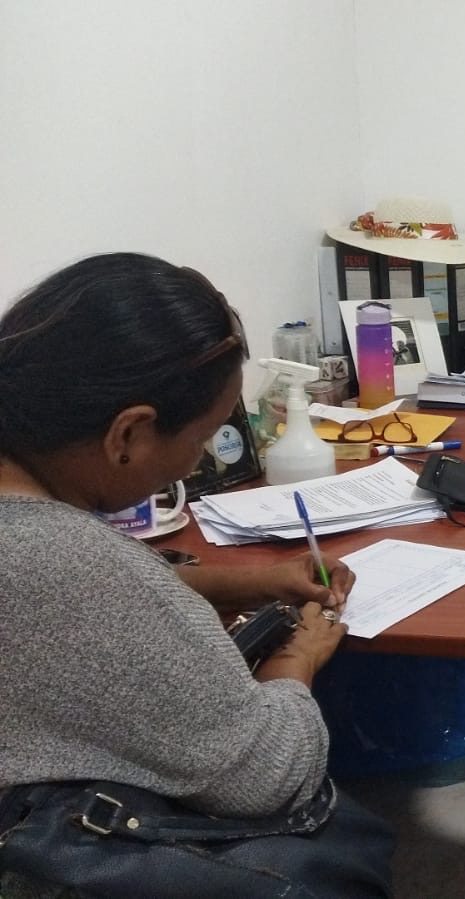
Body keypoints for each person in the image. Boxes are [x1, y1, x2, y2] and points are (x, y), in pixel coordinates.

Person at [0, 255, 368, 832]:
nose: (196, 460)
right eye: (202, 437)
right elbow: (270, 779)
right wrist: (296, 658)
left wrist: (253, 582)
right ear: (129, 433)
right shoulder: (72, 565)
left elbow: (72, 596)